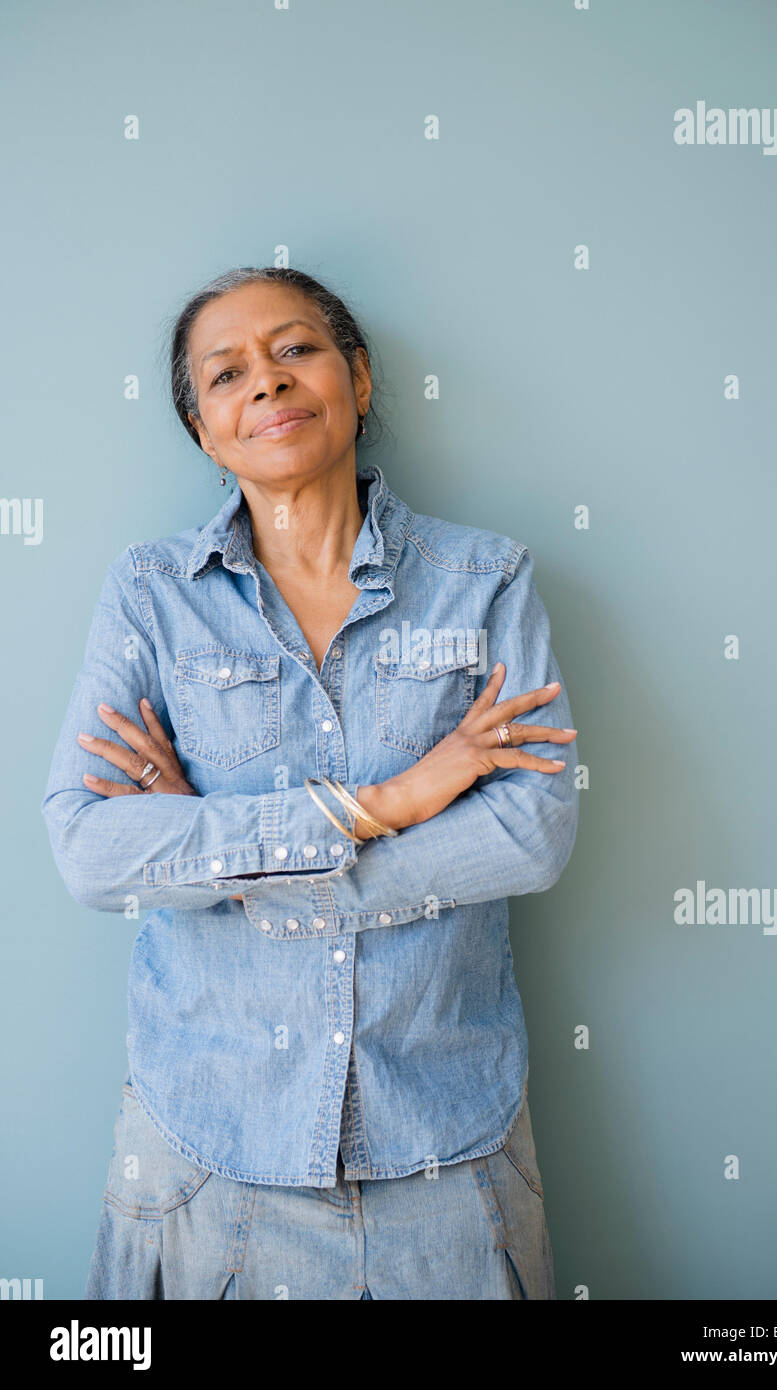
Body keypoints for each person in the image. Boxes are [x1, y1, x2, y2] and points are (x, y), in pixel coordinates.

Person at [40, 266, 579, 1300]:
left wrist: (220, 849)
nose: (268, 383)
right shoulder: (150, 596)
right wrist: (385, 804)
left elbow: (529, 833)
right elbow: (89, 849)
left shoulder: (486, 579)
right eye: (228, 372)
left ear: (358, 379)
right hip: (205, 1144)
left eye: (296, 350)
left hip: (443, 1138)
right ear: (204, 429)